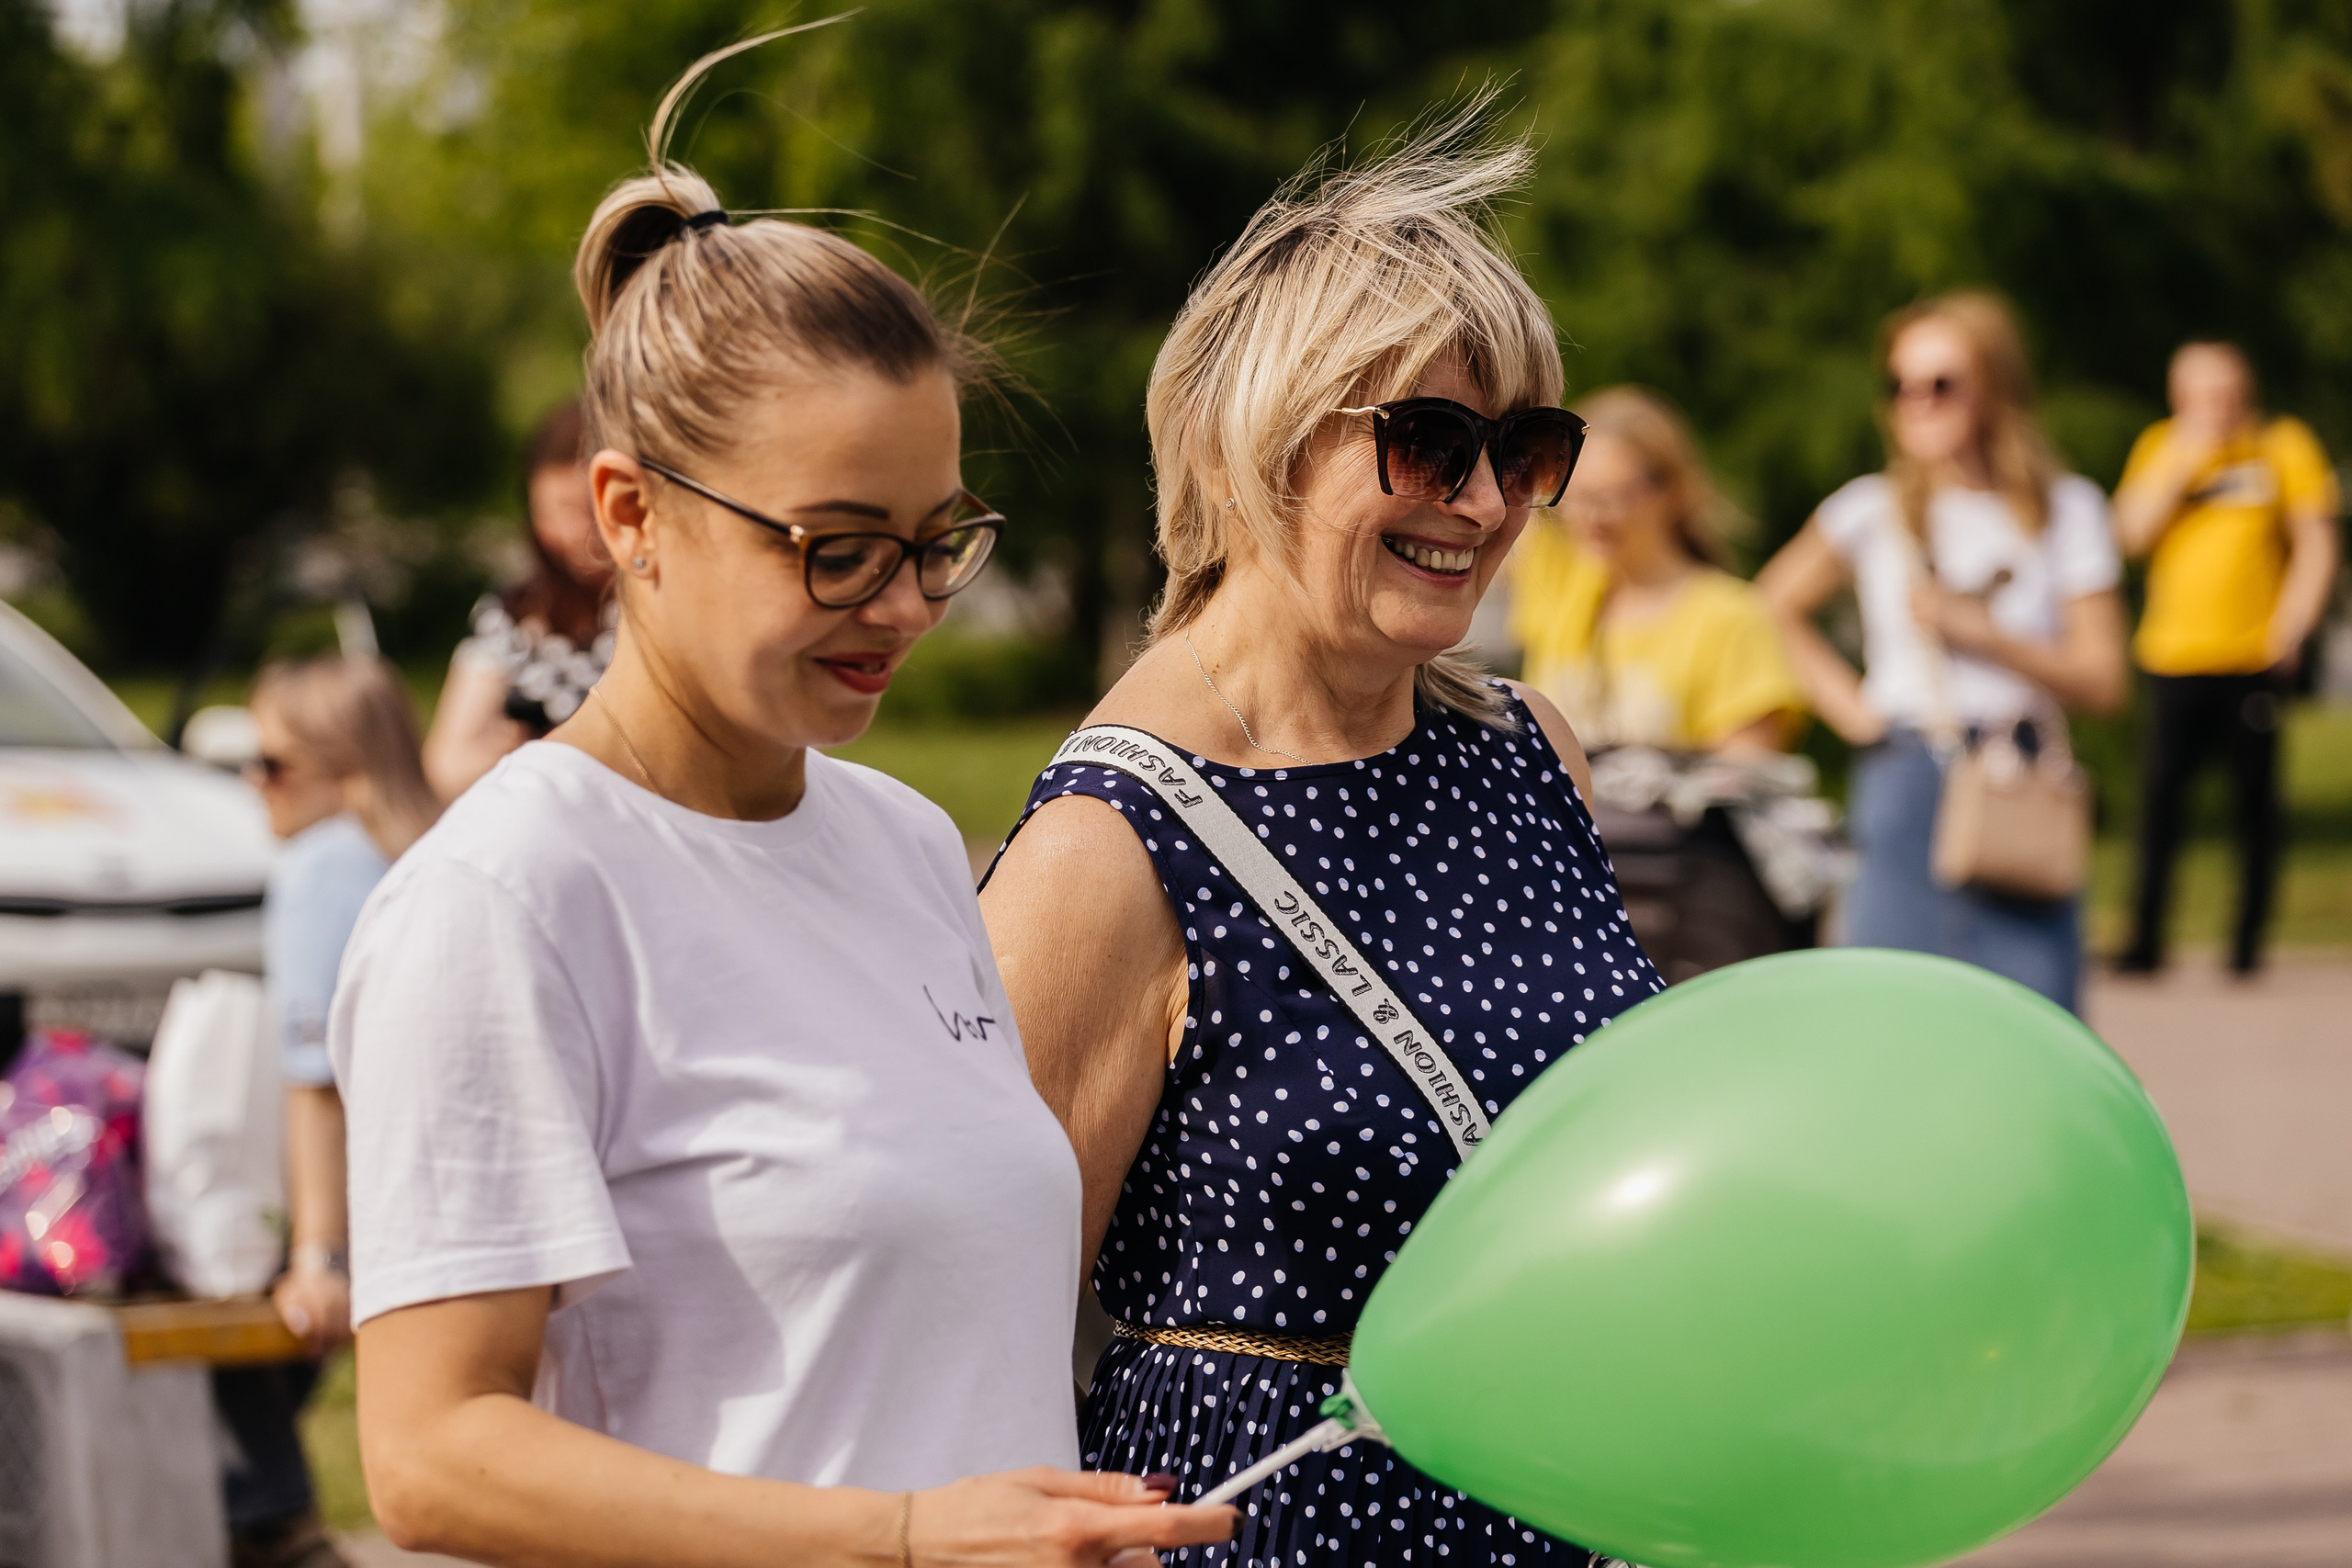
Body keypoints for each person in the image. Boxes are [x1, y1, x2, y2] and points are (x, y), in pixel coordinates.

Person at [327, 39, 1231, 1568]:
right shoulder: (510, 896)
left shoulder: (902, 844)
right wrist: (893, 1532)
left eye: (941, 539)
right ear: (631, 515)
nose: (904, 603)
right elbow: (429, 1454)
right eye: (837, 546)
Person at [979, 115, 1663, 1568]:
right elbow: (982, 1346)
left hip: (1582, 1503)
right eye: (1426, 442)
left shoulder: (1531, 755)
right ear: (1256, 445)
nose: (1480, 504)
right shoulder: (1108, 843)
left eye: (1524, 448)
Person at [1758, 292, 2126, 1013]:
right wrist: (1853, 712)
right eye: (1900, 386)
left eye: (1942, 384)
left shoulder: (2066, 509)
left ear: (1995, 387)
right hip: (1903, 773)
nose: (1917, 402)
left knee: (2033, 1014)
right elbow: (1772, 604)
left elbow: (2104, 679)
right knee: (1891, 1009)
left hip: (2015, 774)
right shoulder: (1871, 507)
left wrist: (1985, 636)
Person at [228, 653, 441, 1568]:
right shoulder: (445, 851)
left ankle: (272, 1520)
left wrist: (317, 1255)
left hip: (377, 1206)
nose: (253, 783)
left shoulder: (322, 866)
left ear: (340, 762)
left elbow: (318, 1084)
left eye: (272, 763)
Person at [2111, 342, 2341, 975]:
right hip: (2174, 655)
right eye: (2202, 393)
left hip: (2252, 656)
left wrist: (2293, 625)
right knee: (2159, 806)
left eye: (2227, 392)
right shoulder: (2160, 447)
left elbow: (2316, 541)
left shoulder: (2282, 444)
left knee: (2256, 809)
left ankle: (2246, 946)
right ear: (2179, 397)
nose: (2218, 406)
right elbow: (2127, 535)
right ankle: (2145, 939)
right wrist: (2182, 463)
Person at [1510, 385, 1803, 753]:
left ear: (1673, 491)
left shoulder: (1731, 617)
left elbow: (1745, 779)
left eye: (1612, 497)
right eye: (1578, 497)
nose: (1591, 518)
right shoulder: (1561, 582)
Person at [421, 398, 616, 800]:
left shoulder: (657, 606)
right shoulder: (513, 615)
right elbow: (445, 763)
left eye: (581, 509)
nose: (570, 532)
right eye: (550, 512)